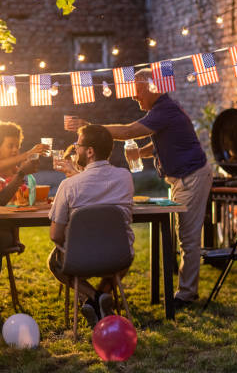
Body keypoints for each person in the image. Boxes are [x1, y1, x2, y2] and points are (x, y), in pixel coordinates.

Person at [74, 68, 213, 309]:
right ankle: (184, 290)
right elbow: (161, 140)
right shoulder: (163, 111)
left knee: (188, 239)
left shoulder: (164, 110)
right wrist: (141, 152)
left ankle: (186, 295)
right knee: (182, 237)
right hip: (182, 177)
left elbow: (129, 131)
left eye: (138, 91)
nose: (134, 97)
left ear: (153, 87)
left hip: (191, 177)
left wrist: (92, 128)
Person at [48, 125, 135, 328]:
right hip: (118, 256)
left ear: (89, 151)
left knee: (55, 262)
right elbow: (96, 183)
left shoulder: (69, 186)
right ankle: (103, 299)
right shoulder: (125, 177)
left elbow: (55, 235)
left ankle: (93, 298)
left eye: (78, 144)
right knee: (124, 257)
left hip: (79, 260)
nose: (75, 148)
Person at [0, 122, 46, 259]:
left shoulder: (15, 171)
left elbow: (16, 206)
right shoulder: (16, 171)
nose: (15, 150)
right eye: (10, 146)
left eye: (17, 146)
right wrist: (28, 154)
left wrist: (16, 238)